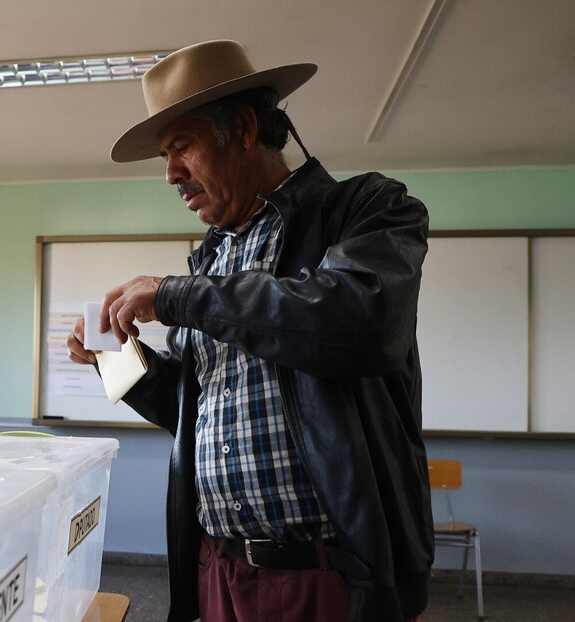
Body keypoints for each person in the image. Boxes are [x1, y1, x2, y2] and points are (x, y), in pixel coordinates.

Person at [66, 40, 433, 622]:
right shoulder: (207, 264)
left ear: (241, 128)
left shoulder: (366, 209)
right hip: (219, 570)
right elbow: (194, 409)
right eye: (165, 156)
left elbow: (361, 322)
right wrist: (116, 361)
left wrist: (174, 295)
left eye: (181, 147)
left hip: (332, 574)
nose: (170, 175)